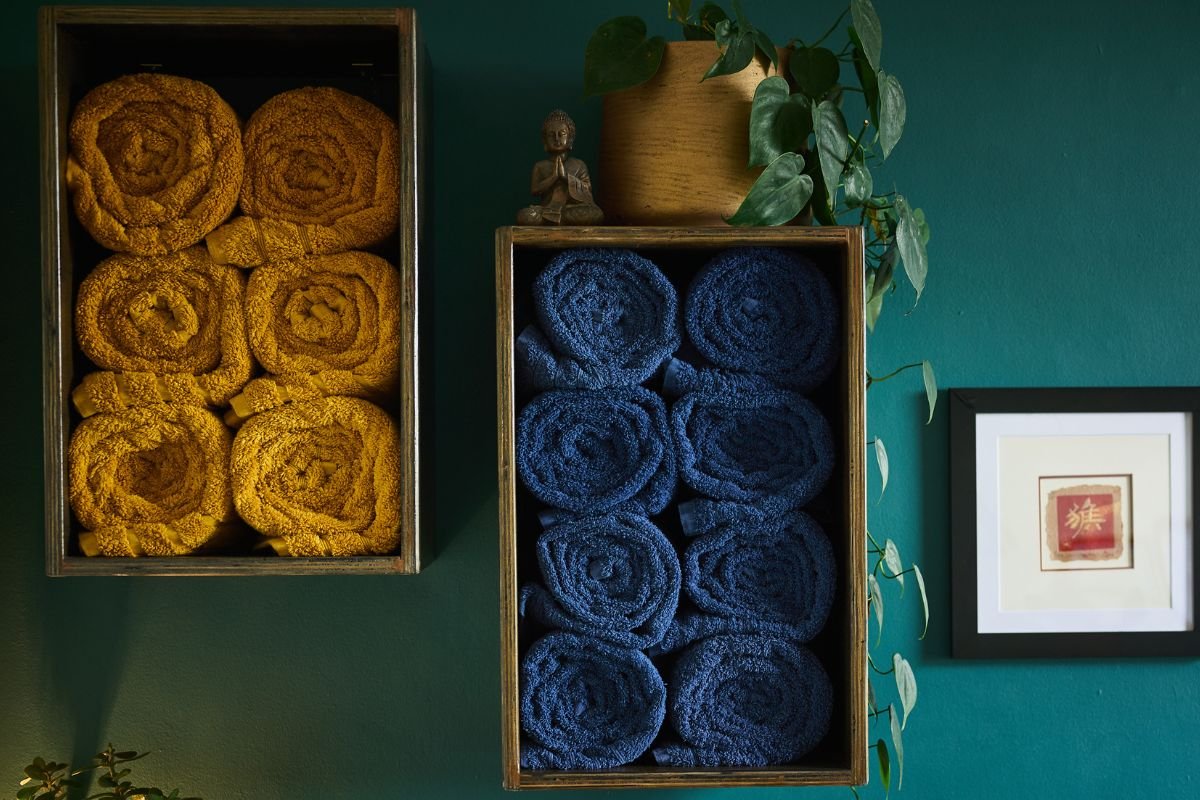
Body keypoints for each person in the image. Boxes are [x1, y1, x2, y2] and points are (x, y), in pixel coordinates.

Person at [517, 110, 604, 225]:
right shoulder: (540, 166)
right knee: (525, 215)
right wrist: (553, 177)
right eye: (551, 135)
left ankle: (556, 218)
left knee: (595, 213)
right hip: (546, 209)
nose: (557, 139)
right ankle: (557, 218)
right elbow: (535, 190)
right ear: (545, 141)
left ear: (570, 138)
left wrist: (565, 177)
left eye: (561, 134)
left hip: (570, 209)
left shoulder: (579, 164)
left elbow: (587, 189)